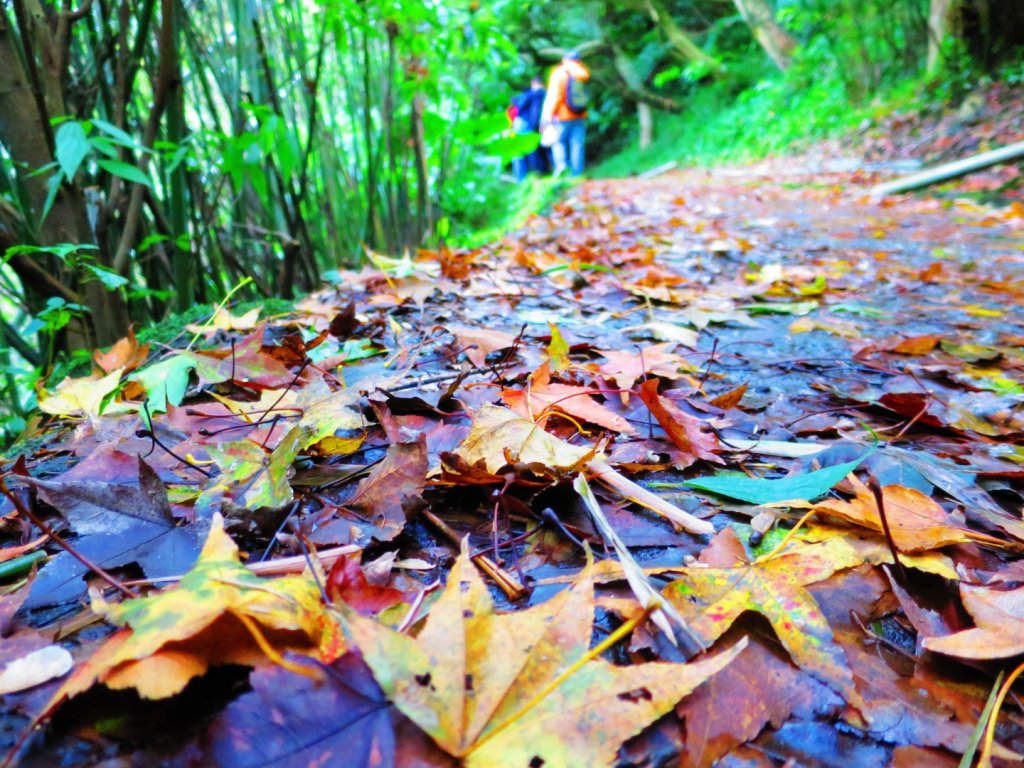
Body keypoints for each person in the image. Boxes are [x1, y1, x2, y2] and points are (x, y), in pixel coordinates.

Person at [540, 51, 590, 177]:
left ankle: (562, 167)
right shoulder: (582, 73)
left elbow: (555, 95)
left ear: (564, 60)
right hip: (580, 113)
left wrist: (549, 115)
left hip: (563, 115)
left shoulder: (559, 73)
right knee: (577, 143)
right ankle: (577, 173)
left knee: (558, 141)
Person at [509, 76, 548, 181]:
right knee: (531, 148)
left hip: (519, 122)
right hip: (527, 124)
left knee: (518, 150)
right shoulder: (541, 94)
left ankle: (521, 177)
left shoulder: (527, 94)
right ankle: (534, 174)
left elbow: (516, 107)